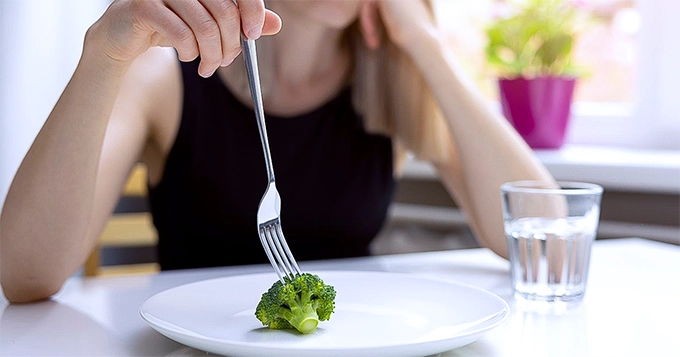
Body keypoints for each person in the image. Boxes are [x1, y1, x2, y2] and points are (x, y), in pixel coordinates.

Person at [0, 0, 553, 303]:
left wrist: (426, 44)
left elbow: (546, 243)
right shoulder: (162, 76)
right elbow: (26, 275)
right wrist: (105, 53)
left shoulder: (392, 80)